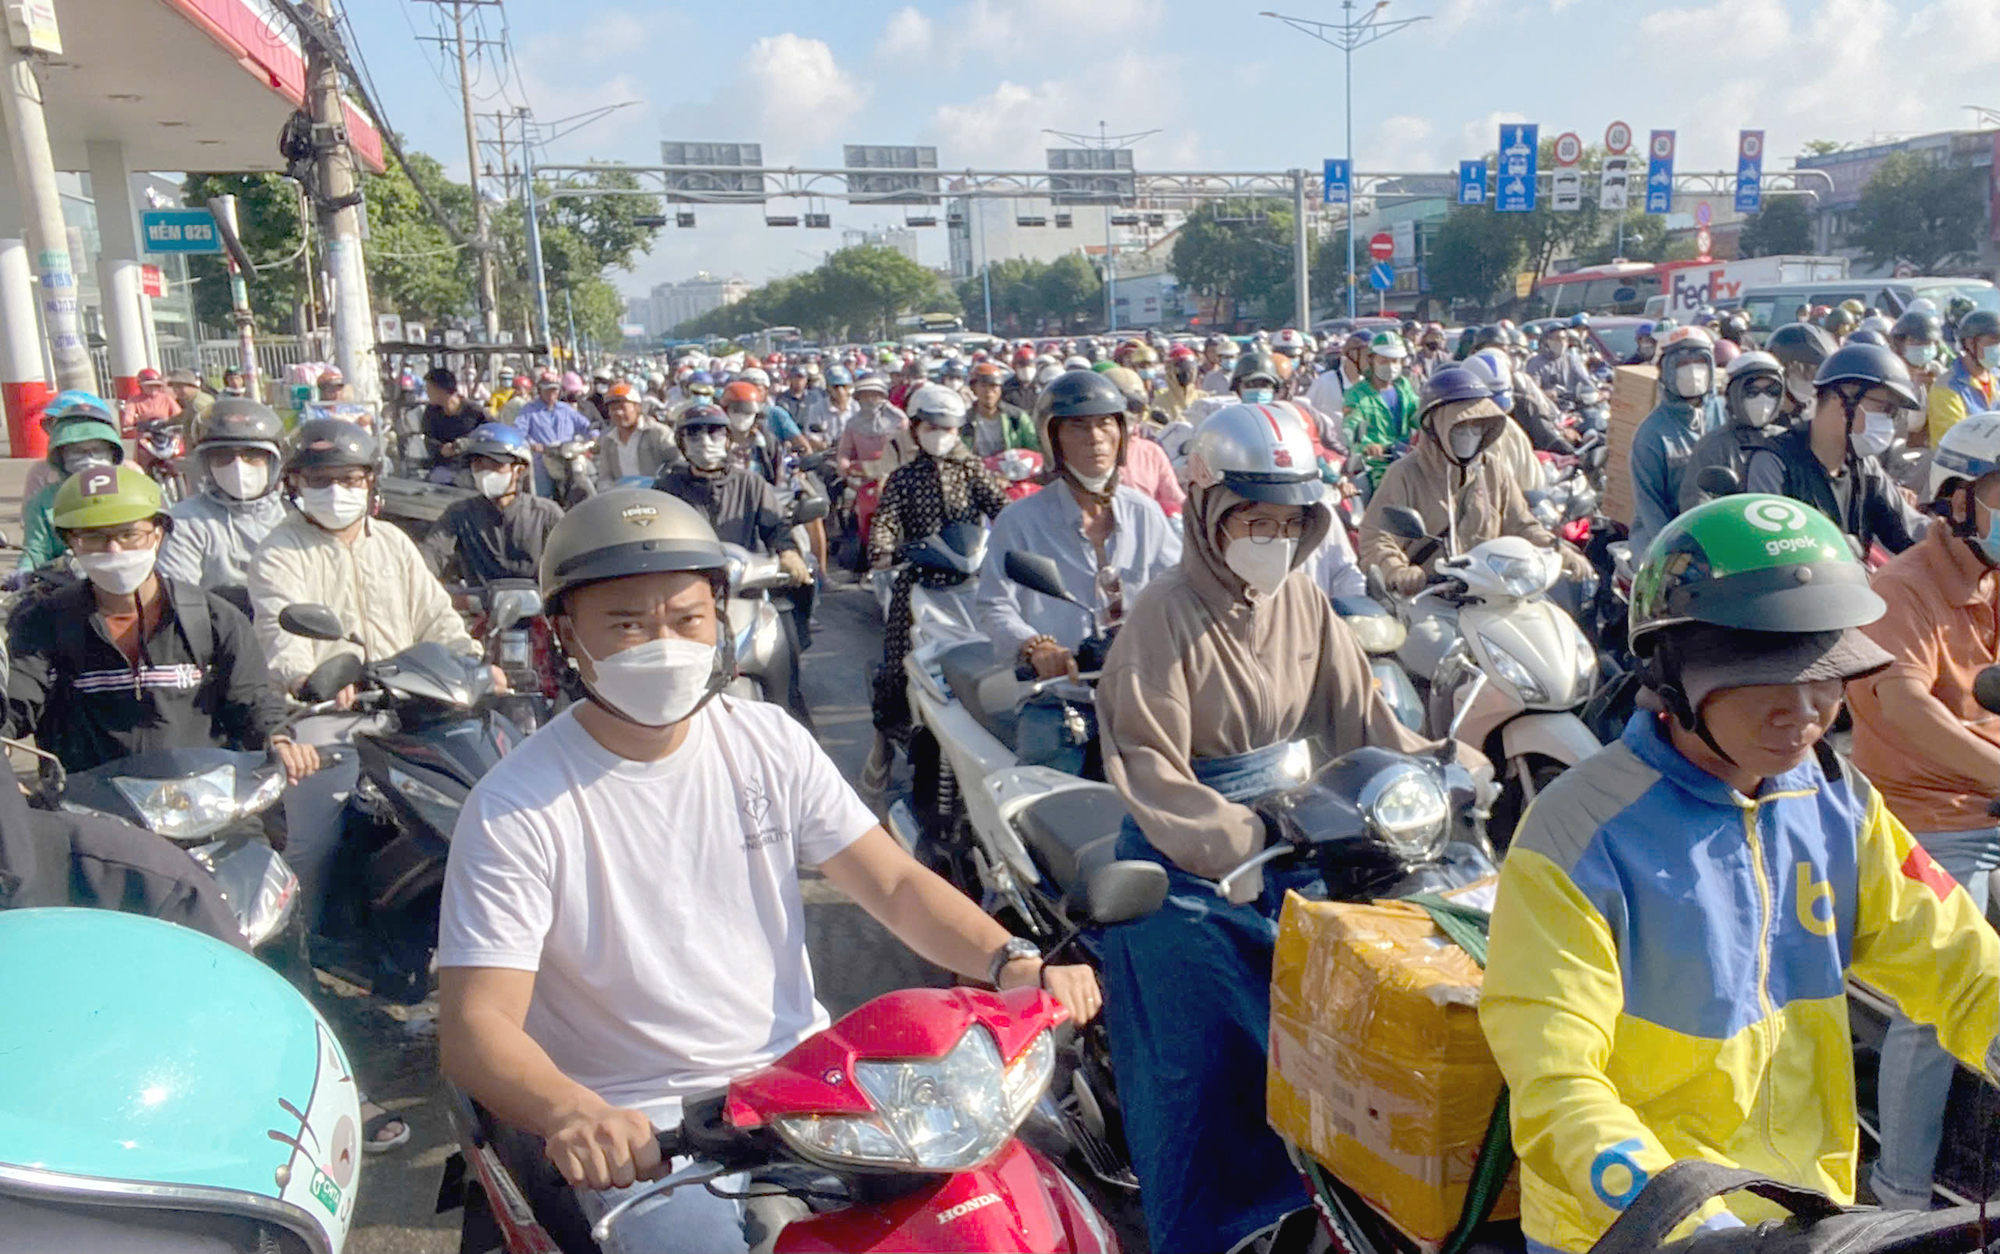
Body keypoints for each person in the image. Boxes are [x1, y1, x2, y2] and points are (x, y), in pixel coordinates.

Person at [434, 489, 1098, 1253]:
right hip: (647, 1135)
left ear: (719, 621)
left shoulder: (763, 742)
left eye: (686, 619)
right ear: (564, 634)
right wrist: (569, 1111)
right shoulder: (517, 805)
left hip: (809, 1089)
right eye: (625, 623)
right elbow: (476, 1024)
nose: (663, 643)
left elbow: (891, 882)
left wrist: (1009, 960)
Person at [1479, 493, 2000, 1254]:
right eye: (1764, 678)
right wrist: (1696, 1225)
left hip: (1808, 1218)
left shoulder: (1837, 801)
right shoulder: (1574, 838)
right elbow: (1559, 1084)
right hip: (1636, 1231)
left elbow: (1960, 962)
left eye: (1827, 675)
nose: (1806, 710)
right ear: (1671, 671)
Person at [1095, 400, 1474, 1253]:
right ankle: (1214, 1230)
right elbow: (1150, 769)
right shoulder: (1159, 617)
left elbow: (1365, 719)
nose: (1270, 537)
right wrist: (1235, 831)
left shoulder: (1304, 601)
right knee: (1212, 1058)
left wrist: (1444, 766)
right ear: (1205, 512)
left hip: (1301, 835)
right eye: (1252, 519)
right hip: (1190, 858)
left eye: (1288, 521)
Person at [1843, 414, 2000, 1209]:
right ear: (1958, 500)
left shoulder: (1991, 582)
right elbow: (1903, 707)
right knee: (1940, 996)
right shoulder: (1898, 590)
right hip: (1930, 822)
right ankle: (1899, 1192)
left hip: (1994, 808)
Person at [3, 463, 316, 784]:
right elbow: (17, 700)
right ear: (70, 542)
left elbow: (251, 699)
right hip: (89, 812)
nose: (114, 549)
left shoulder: (215, 619)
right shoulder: (43, 622)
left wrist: (278, 740)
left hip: (204, 802)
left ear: (158, 534)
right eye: (94, 537)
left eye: (129, 534)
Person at [248, 418, 489, 698]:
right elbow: (280, 634)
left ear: (370, 481)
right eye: (319, 480)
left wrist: (469, 661)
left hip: (407, 699)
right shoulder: (278, 552)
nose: (335, 490)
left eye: (349, 479)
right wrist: (303, 681)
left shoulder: (392, 541)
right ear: (295, 484)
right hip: (326, 709)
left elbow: (435, 616)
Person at [977, 369, 1181, 676]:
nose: (1095, 437)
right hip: (1056, 689)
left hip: (1139, 680)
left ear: (1122, 434)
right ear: (1053, 439)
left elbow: (1179, 589)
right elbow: (994, 604)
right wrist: (1035, 646)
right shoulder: (1019, 521)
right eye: (1078, 426)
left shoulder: (1145, 513)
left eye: (1105, 423)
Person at [863, 386, 1011, 793]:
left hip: (974, 583)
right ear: (915, 428)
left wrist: (1017, 534)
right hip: (920, 581)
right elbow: (887, 519)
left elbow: (1001, 508)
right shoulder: (903, 477)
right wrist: (882, 548)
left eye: (948, 427)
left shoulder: (973, 469)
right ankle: (884, 741)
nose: (941, 433)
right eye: (932, 426)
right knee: (895, 665)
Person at [1356, 365, 1589, 592]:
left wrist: (1557, 550)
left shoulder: (1492, 470)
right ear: (1435, 427)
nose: (1469, 435)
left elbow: (1522, 525)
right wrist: (1397, 570)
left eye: (1477, 426)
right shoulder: (1405, 473)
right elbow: (1377, 537)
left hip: (1495, 592)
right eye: (1459, 426)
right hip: (1429, 596)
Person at [1743, 341, 1928, 555]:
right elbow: (1769, 550)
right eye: (1884, 409)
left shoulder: (1865, 467)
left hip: (1851, 585)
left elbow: (1911, 531)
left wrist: (1960, 535)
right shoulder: (1774, 464)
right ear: (1840, 401)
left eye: (1893, 413)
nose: (1890, 422)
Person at [157, 397, 289, 594]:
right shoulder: (186, 521)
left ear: (273, 462)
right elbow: (179, 597)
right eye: (223, 456)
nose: (238, 466)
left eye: (252, 455)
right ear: (206, 464)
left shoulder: (298, 514)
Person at [420, 423, 564, 588]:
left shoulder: (546, 514)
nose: (484, 471)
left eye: (495, 464)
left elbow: (570, 562)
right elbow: (432, 553)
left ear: (519, 469)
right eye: (477, 464)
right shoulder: (459, 514)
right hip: (479, 609)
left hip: (539, 609)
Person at [1628, 326, 1724, 554]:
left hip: (1722, 532)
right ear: (1665, 370)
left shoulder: (1727, 413)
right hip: (1667, 540)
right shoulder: (1651, 434)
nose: (1692, 371)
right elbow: (1650, 505)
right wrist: (1675, 550)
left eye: (1699, 361)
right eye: (1681, 364)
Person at [1677, 352, 1788, 512]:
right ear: (1733, 395)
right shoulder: (1713, 446)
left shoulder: (1788, 442)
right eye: (1752, 391)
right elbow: (1696, 508)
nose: (1763, 399)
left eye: (1772, 390)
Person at [18, 412, 126, 573]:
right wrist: (24, 571)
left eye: (97, 450)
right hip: (65, 584)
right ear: (60, 456)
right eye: (76, 451)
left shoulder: (134, 488)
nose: (89, 458)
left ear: (113, 452)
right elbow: (36, 550)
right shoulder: (42, 502)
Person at [1342, 331, 1421, 488]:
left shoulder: (1403, 386)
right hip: (1376, 466)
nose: (1390, 366)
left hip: (1408, 459)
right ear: (1371, 360)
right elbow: (1351, 427)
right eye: (1384, 361)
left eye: (1395, 361)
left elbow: (1419, 416)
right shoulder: (1356, 394)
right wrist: (1368, 445)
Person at [516, 371, 594, 499]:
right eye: (548, 390)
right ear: (540, 391)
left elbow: (585, 425)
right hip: (543, 459)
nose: (552, 393)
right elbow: (519, 432)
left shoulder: (566, 409)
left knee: (584, 482)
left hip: (568, 456)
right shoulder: (528, 410)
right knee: (544, 497)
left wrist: (593, 436)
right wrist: (532, 444)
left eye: (555, 390)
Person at [1927, 309, 2000, 446]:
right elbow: (1957, 441)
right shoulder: (1947, 387)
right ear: (1969, 343)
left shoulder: (1996, 378)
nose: (1998, 348)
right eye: (1993, 341)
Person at [594, 382, 675, 484]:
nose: (618, 413)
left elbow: (675, 463)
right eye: (613, 409)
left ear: (637, 408)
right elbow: (604, 475)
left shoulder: (658, 433)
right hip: (624, 496)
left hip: (656, 495)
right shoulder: (609, 441)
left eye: (623, 407)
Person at [1765, 321, 1839, 427]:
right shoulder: (1763, 418)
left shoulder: (1823, 416)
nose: (1813, 379)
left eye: (1819, 371)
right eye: (1805, 369)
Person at [421, 366, 491, 469]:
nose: (427, 392)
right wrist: (441, 449)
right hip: (443, 466)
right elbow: (428, 438)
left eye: (429, 388)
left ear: (441, 389)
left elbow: (492, 435)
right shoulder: (431, 411)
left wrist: (467, 444)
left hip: (472, 466)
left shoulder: (475, 412)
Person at [966, 361, 1036, 456]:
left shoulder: (1017, 418)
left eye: (993, 386)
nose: (989, 392)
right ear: (973, 389)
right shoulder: (965, 422)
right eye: (983, 386)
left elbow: (1034, 450)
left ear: (1000, 389)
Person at [165, 367, 214, 439]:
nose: (176, 391)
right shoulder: (191, 401)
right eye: (174, 387)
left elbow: (205, 428)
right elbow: (182, 417)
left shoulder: (198, 404)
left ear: (192, 386)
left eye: (180, 387)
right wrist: (164, 423)